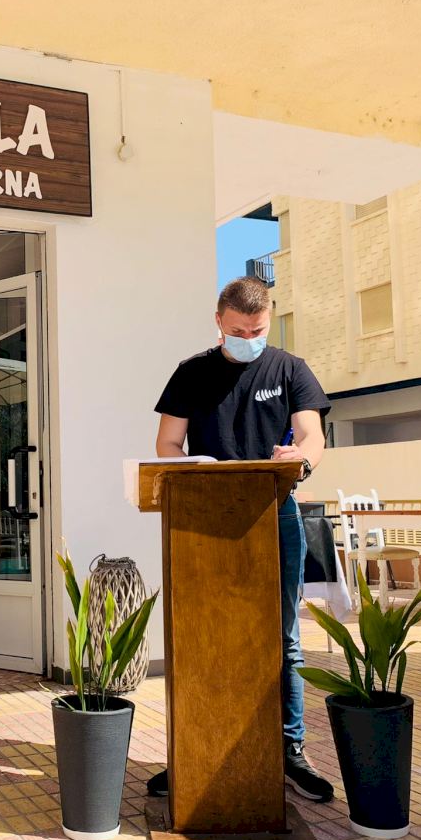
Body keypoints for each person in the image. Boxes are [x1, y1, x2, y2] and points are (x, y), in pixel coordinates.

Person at [148, 275, 334, 803]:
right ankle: (196, 752)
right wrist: (197, 470)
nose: (248, 339)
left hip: (275, 512)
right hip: (205, 520)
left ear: (267, 320)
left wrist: (301, 459)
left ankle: (289, 750)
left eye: (257, 330)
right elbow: (167, 443)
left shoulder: (290, 369)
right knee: (202, 635)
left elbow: (312, 435)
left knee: (283, 637)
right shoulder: (192, 373)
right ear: (218, 322)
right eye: (237, 331)